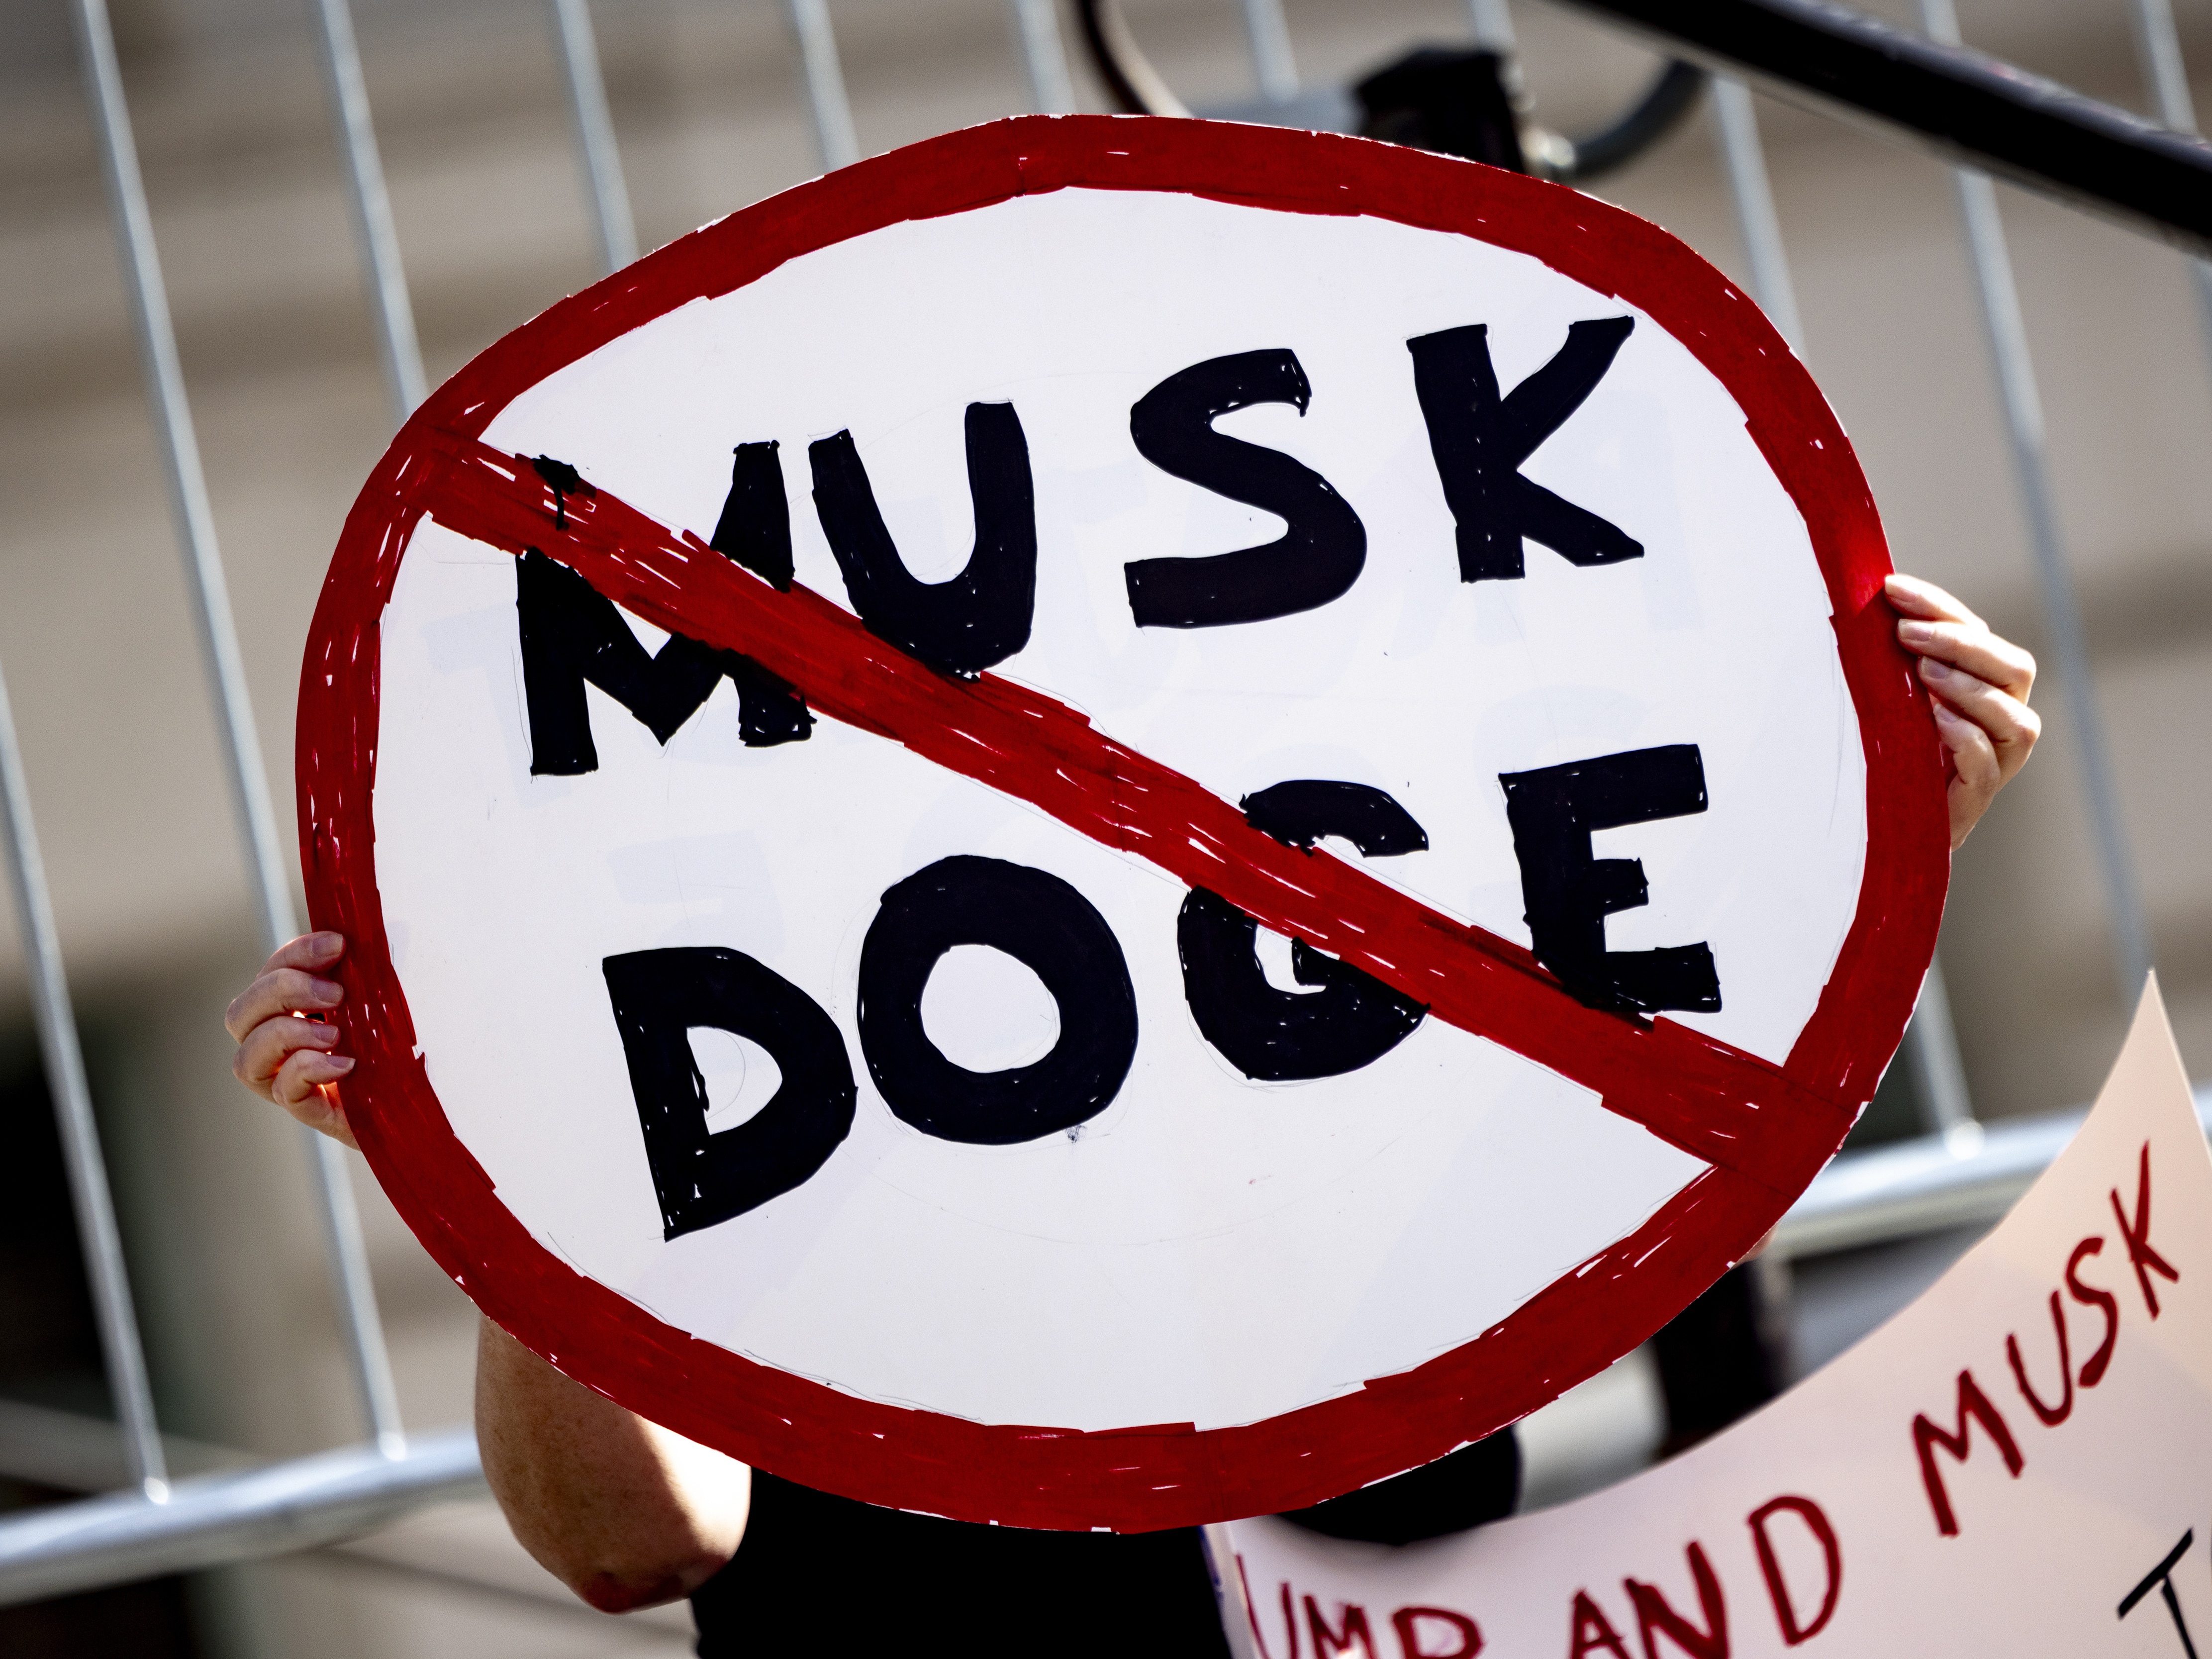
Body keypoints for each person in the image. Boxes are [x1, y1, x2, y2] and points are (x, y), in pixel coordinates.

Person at [224, 573, 2037, 1653]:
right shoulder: (761, 1112)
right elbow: (635, 1541)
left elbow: (1654, 1148)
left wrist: (1870, 856)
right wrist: (505, 1184)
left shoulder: (1353, 1018)